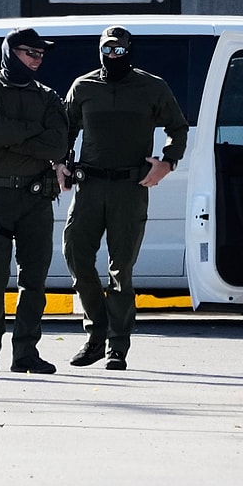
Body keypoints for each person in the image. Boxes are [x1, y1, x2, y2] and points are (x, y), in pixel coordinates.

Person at [56, 26, 189, 370]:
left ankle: (117, 345)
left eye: (118, 50)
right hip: (89, 186)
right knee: (75, 255)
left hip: (130, 188)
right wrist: (60, 164)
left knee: (121, 267)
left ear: (129, 51)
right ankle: (96, 333)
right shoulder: (83, 86)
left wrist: (168, 162)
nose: (112, 56)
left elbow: (178, 126)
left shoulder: (151, 87)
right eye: (107, 50)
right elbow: (65, 128)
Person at [0, 27, 69, 374]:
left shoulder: (49, 97)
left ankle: (26, 351)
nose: (36, 60)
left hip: (36, 197)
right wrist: (32, 132)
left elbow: (58, 145)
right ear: (11, 52)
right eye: (30, 53)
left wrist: (15, 136)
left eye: (41, 55)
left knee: (34, 280)